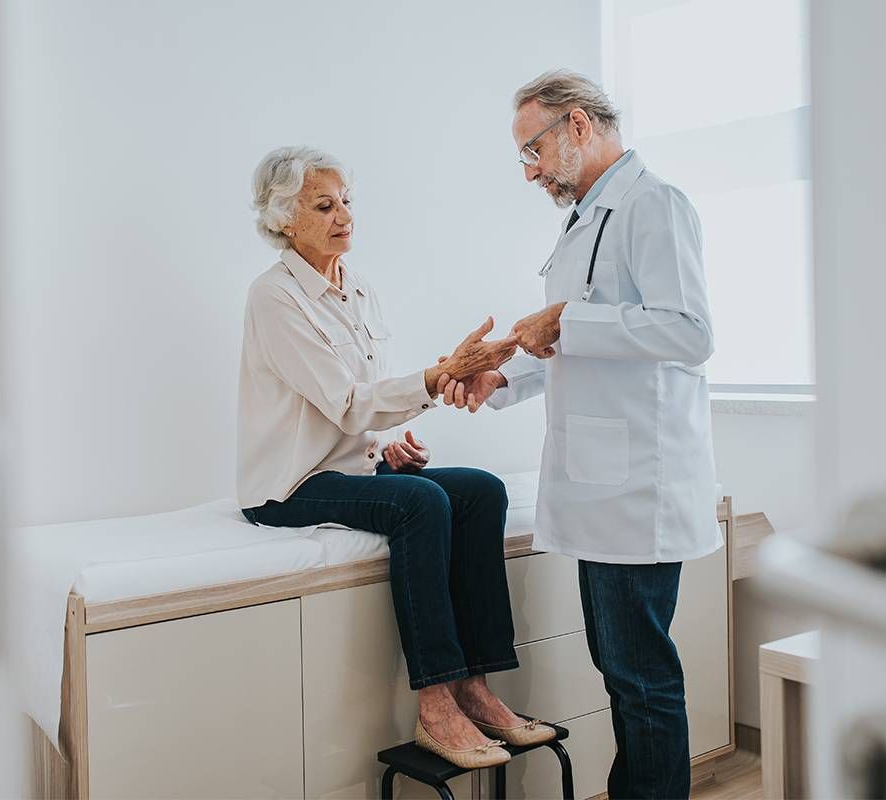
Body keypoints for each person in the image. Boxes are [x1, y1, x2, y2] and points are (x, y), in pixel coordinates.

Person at [438, 71, 720, 798]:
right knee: (623, 673)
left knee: (642, 680)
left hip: (638, 489)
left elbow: (688, 335)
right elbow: (576, 349)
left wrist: (566, 318)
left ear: (578, 126)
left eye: (533, 150)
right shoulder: (583, 220)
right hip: (603, 488)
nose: (530, 171)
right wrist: (503, 377)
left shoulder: (653, 204)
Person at [237, 146, 556, 769]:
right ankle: (436, 701)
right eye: (324, 206)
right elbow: (348, 403)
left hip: (352, 467)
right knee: (422, 504)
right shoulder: (273, 298)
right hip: (289, 484)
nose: (343, 216)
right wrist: (439, 377)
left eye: (346, 202)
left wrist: (389, 445)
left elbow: (365, 415)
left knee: (482, 490)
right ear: (283, 220)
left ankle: (476, 686)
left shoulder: (358, 290)